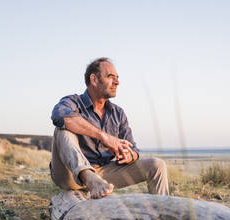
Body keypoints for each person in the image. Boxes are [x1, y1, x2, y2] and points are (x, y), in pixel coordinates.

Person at [50, 57, 169, 199]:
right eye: (110, 77)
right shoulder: (73, 102)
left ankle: (162, 213)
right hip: (69, 173)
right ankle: (89, 178)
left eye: (117, 78)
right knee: (62, 129)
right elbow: (59, 116)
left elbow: (134, 150)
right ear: (94, 80)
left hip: (104, 173)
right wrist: (104, 137)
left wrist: (129, 155)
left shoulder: (118, 113)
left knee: (157, 165)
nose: (117, 82)